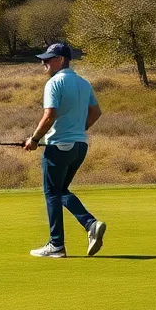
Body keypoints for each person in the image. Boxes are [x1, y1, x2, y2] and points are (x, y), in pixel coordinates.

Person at [23, 43, 107, 258]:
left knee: (52, 192)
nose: (44, 63)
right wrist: (80, 129)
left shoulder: (54, 83)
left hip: (59, 146)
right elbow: (96, 112)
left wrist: (34, 139)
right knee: (60, 191)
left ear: (61, 60)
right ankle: (90, 224)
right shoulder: (83, 83)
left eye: (49, 59)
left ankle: (57, 244)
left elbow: (49, 115)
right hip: (80, 146)